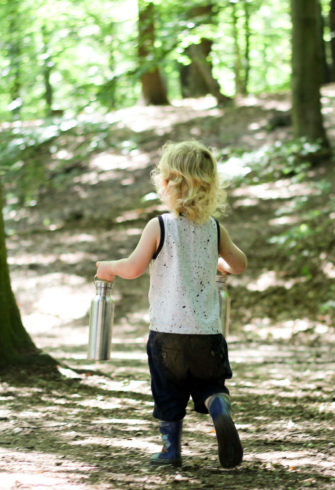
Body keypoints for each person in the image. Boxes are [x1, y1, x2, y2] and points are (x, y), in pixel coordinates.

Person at [96, 140, 247, 468]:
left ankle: (170, 450)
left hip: (167, 335)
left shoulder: (159, 226)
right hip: (207, 335)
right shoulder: (214, 229)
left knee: (168, 392)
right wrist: (219, 264)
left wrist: (109, 267)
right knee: (210, 384)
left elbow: (134, 268)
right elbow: (239, 264)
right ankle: (219, 407)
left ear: (166, 184)